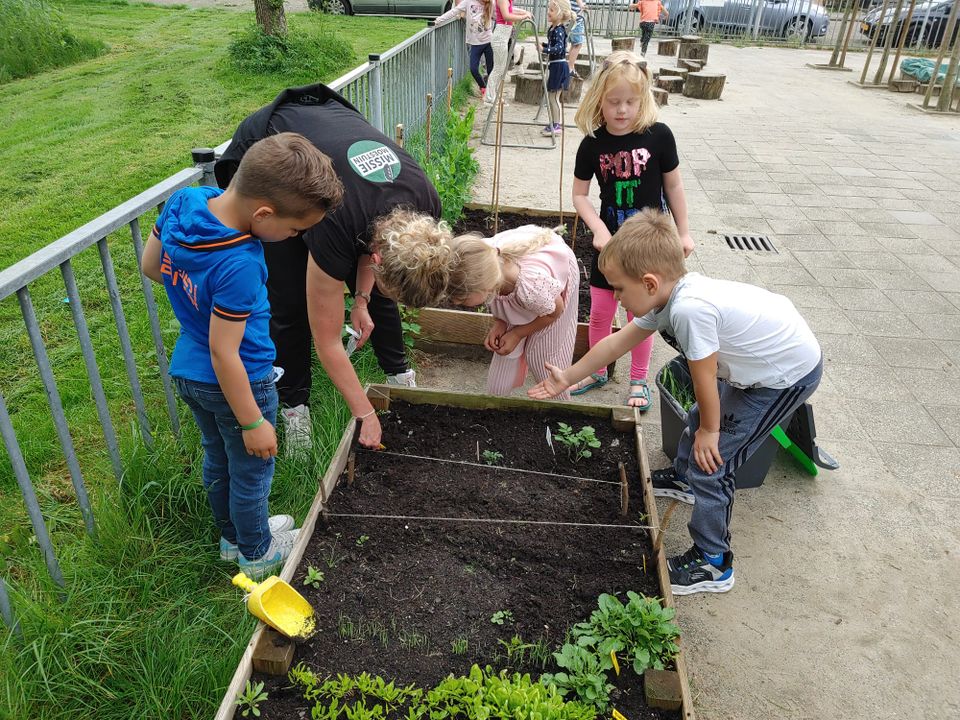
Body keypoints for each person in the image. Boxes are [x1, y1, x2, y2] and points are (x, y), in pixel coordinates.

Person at [529, 210, 823, 596]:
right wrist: (567, 376)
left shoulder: (688, 311)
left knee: (714, 460)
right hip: (761, 359)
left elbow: (705, 378)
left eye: (618, 288)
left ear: (649, 282)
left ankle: (714, 561)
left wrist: (710, 432)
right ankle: (686, 477)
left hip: (784, 375)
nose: (616, 297)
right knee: (701, 422)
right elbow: (618, 342)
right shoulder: (666, 297)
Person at [141, 133, 344, 578]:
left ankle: (232, 537)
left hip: (189, 372)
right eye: (294, 231)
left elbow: (152, 266)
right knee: (252, 469)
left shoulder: (187, 201)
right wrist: (253, 421)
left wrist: (195, 299)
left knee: (218, 457)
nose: (293, 238)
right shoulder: (241, 263)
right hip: (240, 380)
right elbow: (224, 351)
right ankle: (257, 553)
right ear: (264, 214)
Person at [215, 84, 442, 453]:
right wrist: (364, 412)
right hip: (273, 144)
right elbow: (328, 342)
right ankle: (295, 410)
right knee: (289, 303)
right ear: (380, 256)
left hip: (329, 143)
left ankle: (400, 377)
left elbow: (375, 245)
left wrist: (364, 298)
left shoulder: (426, 208)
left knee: (376, 297)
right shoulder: (337, 222)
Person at [569, 50, 692, 410]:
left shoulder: (659, 136)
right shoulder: (592, 144)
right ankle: (598, 369)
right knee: (600, 312)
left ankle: (639, 378)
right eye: (614, 102)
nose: (622, 110)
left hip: (649, 246)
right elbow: (579, 195)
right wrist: (597, 229)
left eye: (630, 102)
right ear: (599, 101)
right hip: (609, 246)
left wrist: (684, 232)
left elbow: (675, 187)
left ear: (643, 101)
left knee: (641, 316)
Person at [444, 225, 580, 398]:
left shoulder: (532, 287)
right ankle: (496, 402)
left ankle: (560, 406)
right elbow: (496, 301)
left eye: (462, 299)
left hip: (552, 290)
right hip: (523, 286)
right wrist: (500, 321)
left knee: (544, 356)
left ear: (484, 286)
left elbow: (555, 311)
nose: (456, 302)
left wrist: (518, 333)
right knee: (505, 347)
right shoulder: (478, 261)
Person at [436, 0, 495, 100]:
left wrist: (521, 13)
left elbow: (503, 12)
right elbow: (454, 11)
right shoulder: (468, 2)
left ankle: (491, 92)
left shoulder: (491, 3)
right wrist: (439, 20)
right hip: (475, 43)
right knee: (473, 69)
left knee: (491, 70)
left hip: (488, 41)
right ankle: (483, 86)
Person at [483, 0, 533, 106]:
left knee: (501, 69)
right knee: (498, 69)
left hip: (504, 36)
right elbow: (506, 16)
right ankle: (489, 97)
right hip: (500, 36)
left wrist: (524, 13)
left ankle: (494, 95)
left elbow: (511, 10)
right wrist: (523, 16)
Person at [540, 0, 575, 137]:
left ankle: (557, 125)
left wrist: (545, 49)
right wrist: (543, 44)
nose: (548, 12)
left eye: (552, 10)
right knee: (551, 96)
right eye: (549, 9)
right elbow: (553, 44)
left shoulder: (559, 30)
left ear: (560, 14)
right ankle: (554, 122)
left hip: (560, 66)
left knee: (554, 97)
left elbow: (559, 48)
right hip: (555, 66)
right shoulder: (553, 29)